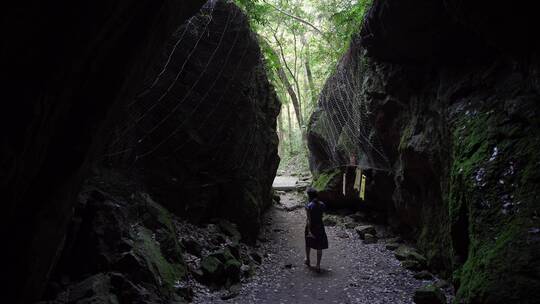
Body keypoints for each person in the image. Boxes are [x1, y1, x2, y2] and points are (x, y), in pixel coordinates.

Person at [304, 188, 328, 272]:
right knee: (319, 246)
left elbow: (309, 219)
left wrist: (309, 230)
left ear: (309, 196)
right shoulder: (322, 204)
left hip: (311, 226)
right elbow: (321, 215)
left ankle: (308, 259)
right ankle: (318, 265)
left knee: (308, 243)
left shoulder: (308, 206)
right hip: (320, 226)